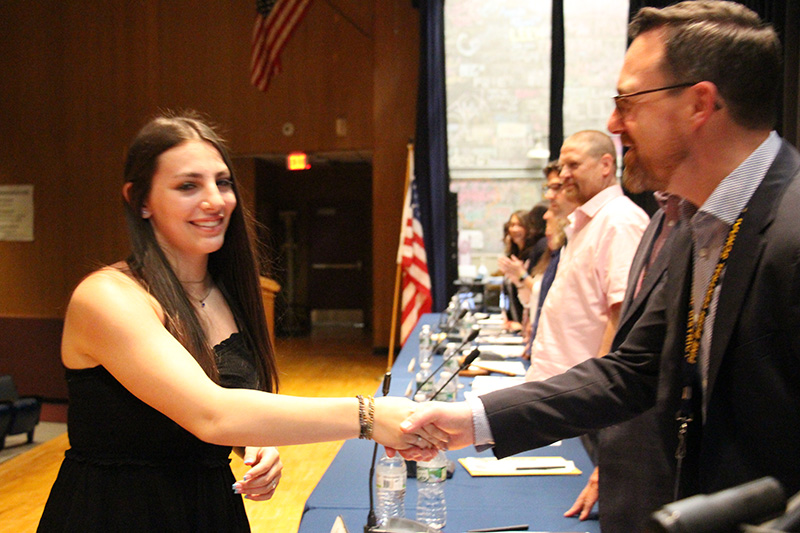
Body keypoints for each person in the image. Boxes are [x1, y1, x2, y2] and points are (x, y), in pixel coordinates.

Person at [401, 0, 800, 520]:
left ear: (700, 104)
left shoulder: (789, 231)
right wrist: (472, 420)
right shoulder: (685, 221)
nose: (614, 122)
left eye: (628, 102)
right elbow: (632, 372)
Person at [37, 112, 438, 532]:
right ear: (140, 201)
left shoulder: (231, 292)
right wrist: (368, 416)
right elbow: (212, 414)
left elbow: (225, 408)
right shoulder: (108, 297)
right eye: (188, 186)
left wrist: (253, 442)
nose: (214, 200)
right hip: (118, 514)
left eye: (222, 182)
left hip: (209, 509)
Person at [566, 191, 682, 531]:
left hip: (653, 448)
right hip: (609, 416)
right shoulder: (661, 218)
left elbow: (631, 358)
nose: (617, 133)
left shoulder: (624, 220)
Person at [526, 130, 648, 383]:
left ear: (605, 165)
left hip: (580, 397)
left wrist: (597, 388)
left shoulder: (620, 221)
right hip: (556, 388)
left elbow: (623, 315)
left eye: (573, 165)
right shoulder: (587, 223)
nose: (563, 175)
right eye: (562, 167)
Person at [498, 210, 544, 331]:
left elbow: (534, 293)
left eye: (520, 225)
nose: (514, 229)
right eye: (512, 225)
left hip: (527, 325)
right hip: (514, 324)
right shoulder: (514, 255)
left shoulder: (536, 253)